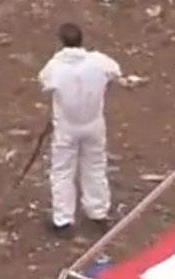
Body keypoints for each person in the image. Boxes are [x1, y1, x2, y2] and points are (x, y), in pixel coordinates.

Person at [37, 23, 121, 233]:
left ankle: (63, 219)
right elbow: (116, 71)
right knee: (95, 166)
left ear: (61, 41)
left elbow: (44, 83)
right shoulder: (98, 62)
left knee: (63, 171)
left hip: (67, 126)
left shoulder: (55, 67)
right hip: (93, 123)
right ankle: (98, 212)